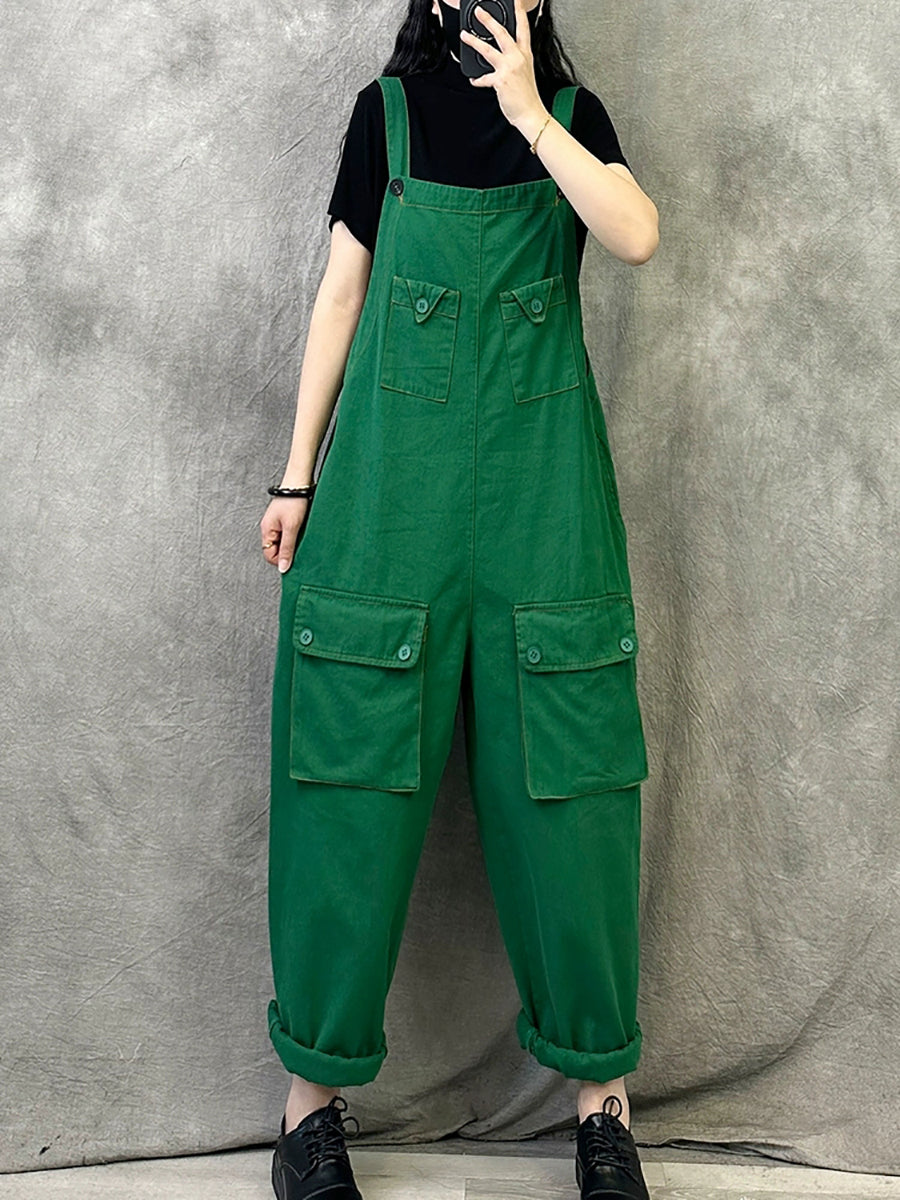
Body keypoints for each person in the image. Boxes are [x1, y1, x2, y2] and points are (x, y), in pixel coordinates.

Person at [260, 2, 660, 1198]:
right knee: (348, 793)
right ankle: (308, 1111)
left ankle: (604, 1112)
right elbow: (341, 298)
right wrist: (297, 476)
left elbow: (635, 233)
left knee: (575, 798)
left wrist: (532, 117)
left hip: (546, 515)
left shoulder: (573, 120)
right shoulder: (385, 118)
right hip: (390, 505)